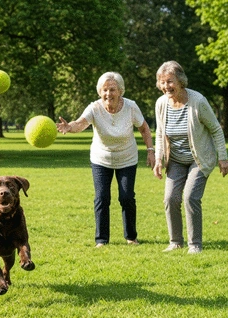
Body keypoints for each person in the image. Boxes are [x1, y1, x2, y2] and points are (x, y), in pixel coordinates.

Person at [57, 71, 155, 248]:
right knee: (102, 197)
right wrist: (68, 127)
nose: (108, 94)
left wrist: (150, 151)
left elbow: (144, 129)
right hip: (101, 158)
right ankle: (101, 240)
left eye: (112, 89)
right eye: (104, 90)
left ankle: (131, 237)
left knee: (126, 197)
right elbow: (80, 124)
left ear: (120, 91)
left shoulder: (131, 107)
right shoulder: (94, 108)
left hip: (127, 157)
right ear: (99, 92)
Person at [153, 61, 228, 254]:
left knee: (190, 197)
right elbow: (160, 133)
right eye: (162, 82)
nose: (166, 86)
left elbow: (215, 129)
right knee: (170, 198)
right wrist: (158, 160)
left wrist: (223, 158)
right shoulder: (161, 103)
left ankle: (195, 244)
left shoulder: (198, 101)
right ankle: (175, 241)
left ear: (180, 81)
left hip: (199, 159)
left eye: (170, 81)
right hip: (176, 160)